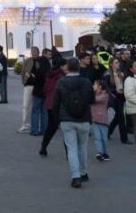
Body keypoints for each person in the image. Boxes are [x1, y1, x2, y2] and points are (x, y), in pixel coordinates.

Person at [52, 57, 94, 188]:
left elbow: (55, 103)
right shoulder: (86, 82)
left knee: (72, 148)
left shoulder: (61, 82)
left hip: (67, 119)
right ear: (79, 67)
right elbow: (91, 99)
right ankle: (83, 172)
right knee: (83, 147)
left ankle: (75, 176)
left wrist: (56, 119)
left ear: (68, 68)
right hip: (84, 118)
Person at [39, 56, 66, 156]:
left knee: (52, 127)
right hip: (59, 104)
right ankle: (69, 152)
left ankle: (44, 146)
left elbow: (45, 89)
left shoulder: (50, 74)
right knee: (66, 127)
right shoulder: (61, 76)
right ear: (62, 66)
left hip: (50, 103)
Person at [107, 49, 132, 144]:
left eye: (118, 62)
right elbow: (107, 88)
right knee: (121, 117)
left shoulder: (121, 74)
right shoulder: (108, 74)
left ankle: (108, 132)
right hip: (114, 97)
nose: (118, 64)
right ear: (111, 64)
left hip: (122, 96)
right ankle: (124, 138)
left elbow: (125, 84)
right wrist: (114, 92)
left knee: (118, 117)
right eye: (116, 63)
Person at [19, 46, 39, 133]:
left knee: (36, 106)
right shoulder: (27, 61)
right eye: (33, 52)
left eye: (36, 52)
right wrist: (24, 81)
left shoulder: (40, 61)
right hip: (28, 85)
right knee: (25, 105)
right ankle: (24, 124)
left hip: (38, 86)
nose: (34, 53)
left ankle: (35, 124)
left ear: (38, 52)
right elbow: (23, 72)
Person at [90, 78, 111, 162]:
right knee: (97, 137)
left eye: (94, 84)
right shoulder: (94, 94)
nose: (93, 86)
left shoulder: (105, 94)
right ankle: (99, 152)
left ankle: (105, 153)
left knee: (104, 138)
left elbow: (95, 100)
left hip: (103, 120)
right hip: (95, 119)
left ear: (100, 86)